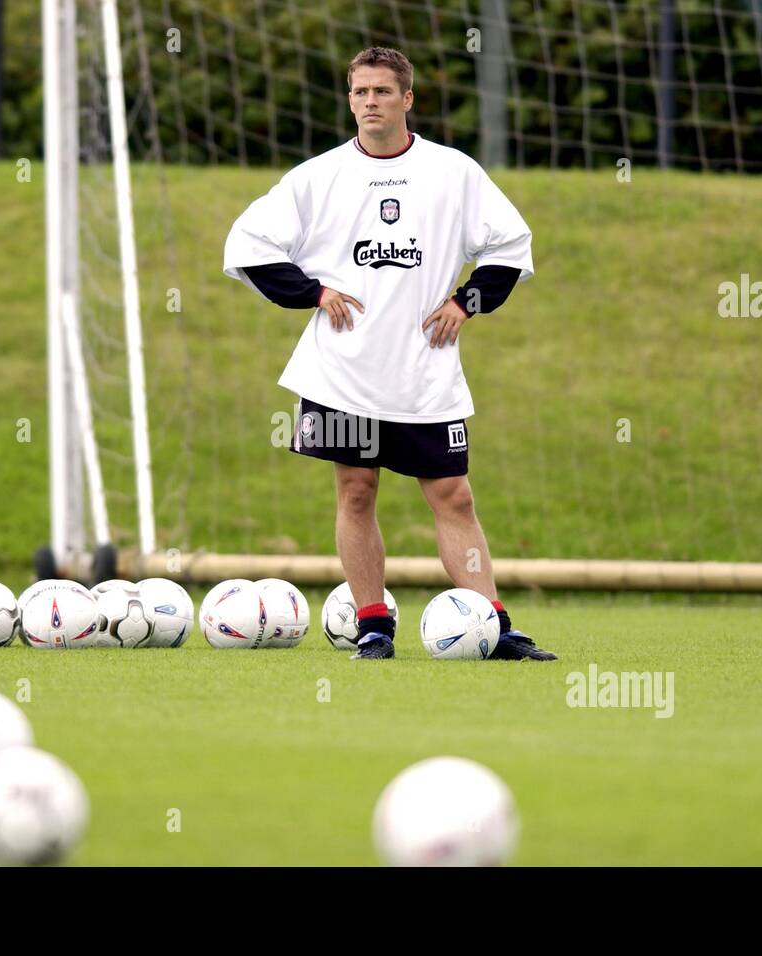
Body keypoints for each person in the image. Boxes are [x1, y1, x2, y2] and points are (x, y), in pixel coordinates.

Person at [223, 46, 556, 661]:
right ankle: (374, 626)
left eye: (381, 91)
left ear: (407, 98)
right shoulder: (317, 177)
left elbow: (512, 244)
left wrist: (467, 301)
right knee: (356, 490)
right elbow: (246, 244)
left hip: (424, 372)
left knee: (453, 495)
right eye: (359, 92)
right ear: (349, 99)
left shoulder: (453, 172)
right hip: (343, 372)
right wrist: (313, 291)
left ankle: (495, 625)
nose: (369, 102)